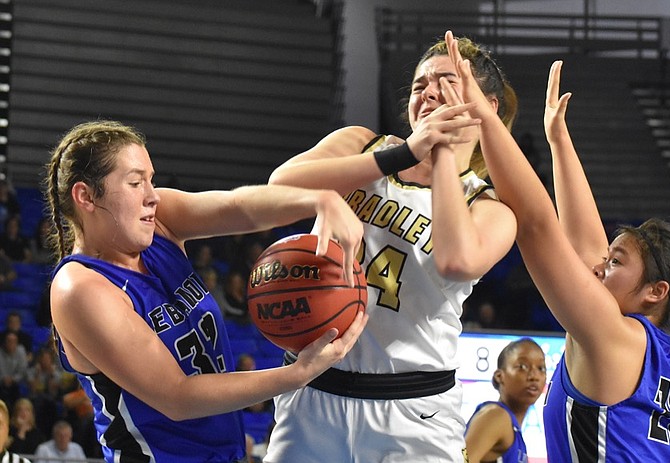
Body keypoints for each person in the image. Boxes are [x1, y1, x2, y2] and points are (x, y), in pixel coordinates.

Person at [441, 32, 670, 462]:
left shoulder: (613, 336)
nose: (599, 268)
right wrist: (559, 141)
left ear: (656, 291)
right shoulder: (654, 346)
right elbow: (586, 250)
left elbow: (539, 227)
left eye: (615, 263)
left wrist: (484, 118)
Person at [45, 120, 368, 462]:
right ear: (85, 196)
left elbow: (236, 207)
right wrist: (297, 374)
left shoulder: (159, 224)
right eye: (135, 183)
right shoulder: (79, 287)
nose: (151, 196)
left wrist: (319, 200)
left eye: (151, 181)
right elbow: (177, 397)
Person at [264, 33, 517, 461]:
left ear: (486, 107)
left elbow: (456, 261)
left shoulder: (490, 209)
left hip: (413, 411)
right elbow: (278, 186)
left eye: (448, 83)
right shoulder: (360, 144)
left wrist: (443, 158)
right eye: (421, 85)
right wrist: (402, 156)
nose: (430, 92)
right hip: (314, 395)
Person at [464, 338, 546, 463]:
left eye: (541, 368)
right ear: (499, 376)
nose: (534, 376)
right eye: (522, 367)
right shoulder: (496, 415)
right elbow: (461, 459)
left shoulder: (514, 430)